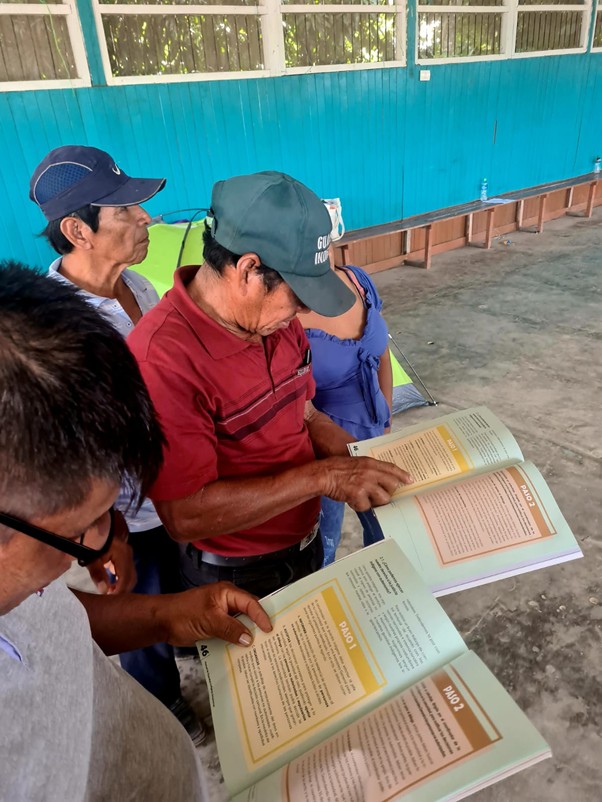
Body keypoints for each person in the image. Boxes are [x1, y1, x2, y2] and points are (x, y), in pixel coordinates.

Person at [0, 261, 271, 802]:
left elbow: (49, 625)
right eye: (81, 531)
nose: (93, 552)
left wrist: (169, 616)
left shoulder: (21, 580)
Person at [128, 171, 412, 599]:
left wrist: (366, 459)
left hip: (306, 544)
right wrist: (324, 477)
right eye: (298, 295)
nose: (302, 312)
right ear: (248, 270)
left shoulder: (274, 324)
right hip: (238, 577)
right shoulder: (162, 359)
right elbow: (184, 515)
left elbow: (307, 413)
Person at [29, 145, 200, 740]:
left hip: (171, 487)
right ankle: (164, 708)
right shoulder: (53, 331)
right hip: (124, 512)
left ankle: (183, 648)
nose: (145, 219)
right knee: (139, 604)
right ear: (78, 230)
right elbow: (70, 455)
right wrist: (107, 535)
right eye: (125, 212)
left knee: (177, 586)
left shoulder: (139, 290)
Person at [302, 252, 393, 564]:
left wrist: (387, 418)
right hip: (321, 447)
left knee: (386, 533)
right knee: (324, 542)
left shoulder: (356, 280)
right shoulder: (286, 309)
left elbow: (382, 355)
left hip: (376, 430)